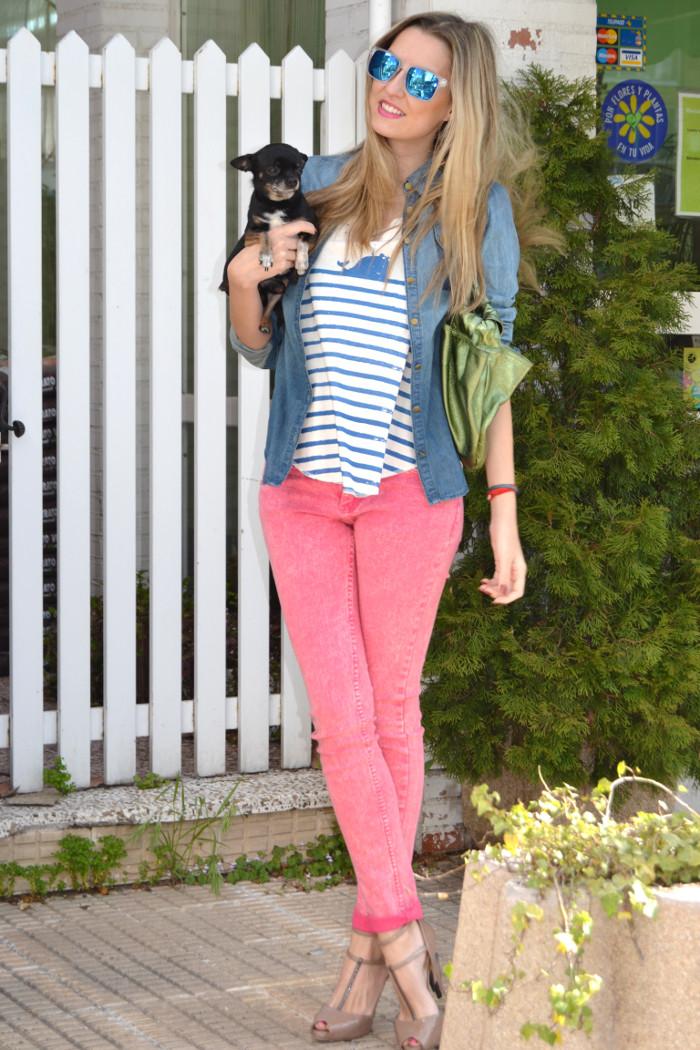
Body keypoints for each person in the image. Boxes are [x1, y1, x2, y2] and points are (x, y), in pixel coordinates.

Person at [227, 11, 558, 1050]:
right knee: (345, 723)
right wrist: (245, 278)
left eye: (420, 79)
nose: (394, 88)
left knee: (392, 721)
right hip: (304, 492)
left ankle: (366, 960)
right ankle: (411, 951)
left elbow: (491, 371)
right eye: (385, 66)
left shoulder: (475, 212)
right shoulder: (316, 183)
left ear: (456, 98)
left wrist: (504, 517)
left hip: (412, 492)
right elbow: (257, 344)